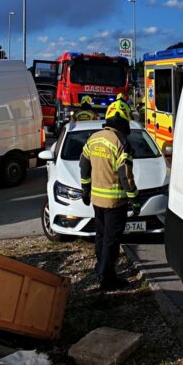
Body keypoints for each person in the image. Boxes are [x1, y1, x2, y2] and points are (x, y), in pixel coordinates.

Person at [79, 102, 140, 291]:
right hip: (115, 203)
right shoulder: (121, 142)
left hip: (97, 200)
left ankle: (101, 268)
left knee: (101, 235)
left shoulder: (94, 138)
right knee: (111, 240)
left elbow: (83, 164)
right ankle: (107, 279)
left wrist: (85, 189)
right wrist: (135, 199)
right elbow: (125, 175)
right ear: (123, 121)